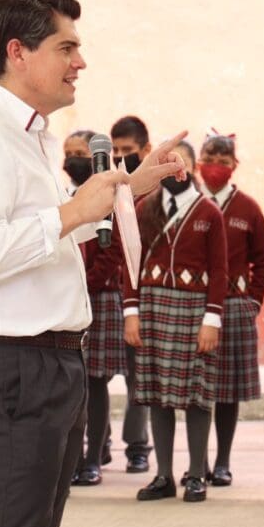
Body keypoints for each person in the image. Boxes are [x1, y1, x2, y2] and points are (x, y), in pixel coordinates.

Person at [0, 0, 184, 527]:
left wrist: (128, 188)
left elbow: (48, 230)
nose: (79, 62)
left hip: (52, 363)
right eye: (66, 48)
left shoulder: (33, 136)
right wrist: (68, 213)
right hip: (10, 366)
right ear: (17, 52)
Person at [125, 140, 227, 504]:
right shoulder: (144, 208)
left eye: (177, 162)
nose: (171, 168)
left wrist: (212, 318)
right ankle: (163, 475)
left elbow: (219, 270)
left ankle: (196, 474)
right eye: (165, 162)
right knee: (157, 396)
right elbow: (130, 262)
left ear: (191, 167)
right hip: (152, 309)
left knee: (197, 396)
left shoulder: (208, 212)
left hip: (194, 312)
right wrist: (131, 312)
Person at [197, 132, 264, 486]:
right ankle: (197, 462)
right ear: (199, 163)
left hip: (234, 306)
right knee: (196, 389)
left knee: (227, 391)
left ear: (234, 166)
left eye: (223, 163)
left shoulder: (248, 208)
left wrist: (252, 301)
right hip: (194, 307)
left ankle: (222, 462)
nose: (216, 168)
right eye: (210, 161)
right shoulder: (190, 203)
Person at [66, 129, 128, 487]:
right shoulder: (63, 195)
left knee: (96, 380)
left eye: (79, 153)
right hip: (68, 296)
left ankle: (93, 458)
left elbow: (112, 251)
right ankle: (73, 457)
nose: (72, 159)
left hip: (99, 295)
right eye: (68, 152)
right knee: (73, 380)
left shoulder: (109, 194)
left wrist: (85, 281)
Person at [110, 114, 154, 474]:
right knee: (96, 377)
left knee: (138, 377)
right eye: (116, 151)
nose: (122, 157)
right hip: (110, 294)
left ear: (146, 149)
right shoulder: (109, 188)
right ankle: (98, 445)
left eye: (129, 150)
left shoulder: (156, 194)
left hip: (145, 296)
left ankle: (138, 446)